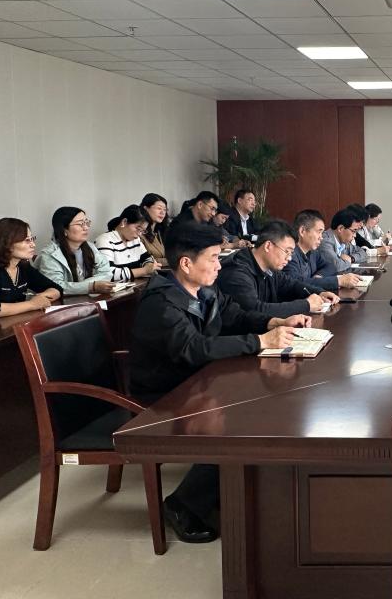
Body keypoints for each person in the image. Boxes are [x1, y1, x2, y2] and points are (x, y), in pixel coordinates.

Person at [128, 221, 309, 544]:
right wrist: (259, 341)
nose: (219, 265)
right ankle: (183, 504)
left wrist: (274, 321)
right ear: (186, 263)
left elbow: (236, 315)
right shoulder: (161, 303)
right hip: (164, 393)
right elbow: (193, 348)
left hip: (200, 378)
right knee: (241, 420)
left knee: (266, 403)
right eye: (213, 258)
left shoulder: (205, 290)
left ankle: (229, 485)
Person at [217, 219, 340, 317]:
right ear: (268, 246)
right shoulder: (236, 272)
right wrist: (306, 305)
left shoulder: (270, 268)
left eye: (291, 253)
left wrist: (319, 292)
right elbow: (255, 310)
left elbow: (291, 284)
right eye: (287, 251)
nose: (289, 258)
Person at [0, 218, 62, 319]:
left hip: (13, 322)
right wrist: (32, 304)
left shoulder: (23, 267)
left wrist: (41, 298)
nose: (33, 245)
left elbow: (56, 289)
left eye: (32, 239)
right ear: (7, 244)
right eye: (27, 240)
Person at [34, 207, 115, 296]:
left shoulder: (90, 247)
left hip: (85, 299)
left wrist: (81, 287)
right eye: (80, 224)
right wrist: (91, 286)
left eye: (86, 222)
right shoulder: (49, 255)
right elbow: (56, 287)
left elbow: (106, 272)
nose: (86, 227)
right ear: (64, 230)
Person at [285, 210, 361, 290]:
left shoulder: (313, 252)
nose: (321, 237)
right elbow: (296, 283)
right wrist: (338, 281)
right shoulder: (289, 255)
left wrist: (319, 276)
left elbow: (330, 266)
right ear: (302, 231)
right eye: (319, 232)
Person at [95, 205, 159, 282]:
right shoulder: (105, 240)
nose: (139, 234)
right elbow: (108, 274)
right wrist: (144, 271)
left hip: (138, 285)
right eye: (138, 229)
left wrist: (149, 265)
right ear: (124, 222)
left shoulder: (135, 240)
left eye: (143, 231)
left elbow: (147, 258)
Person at [320, 207, 373, 272]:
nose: (355, 235)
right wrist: (347, 261)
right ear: (340, 228)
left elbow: (363, 252)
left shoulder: (344, 242)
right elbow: (336, 266)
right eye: (354, 231)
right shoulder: (324, 241)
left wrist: (351, 258)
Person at [140, 194, 170, 264]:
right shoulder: (139, 232)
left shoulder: (159, 231)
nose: (162, 212)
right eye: (159, 208)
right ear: (146, 208)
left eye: (165, 210)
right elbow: (144, 261)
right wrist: (173, 261)